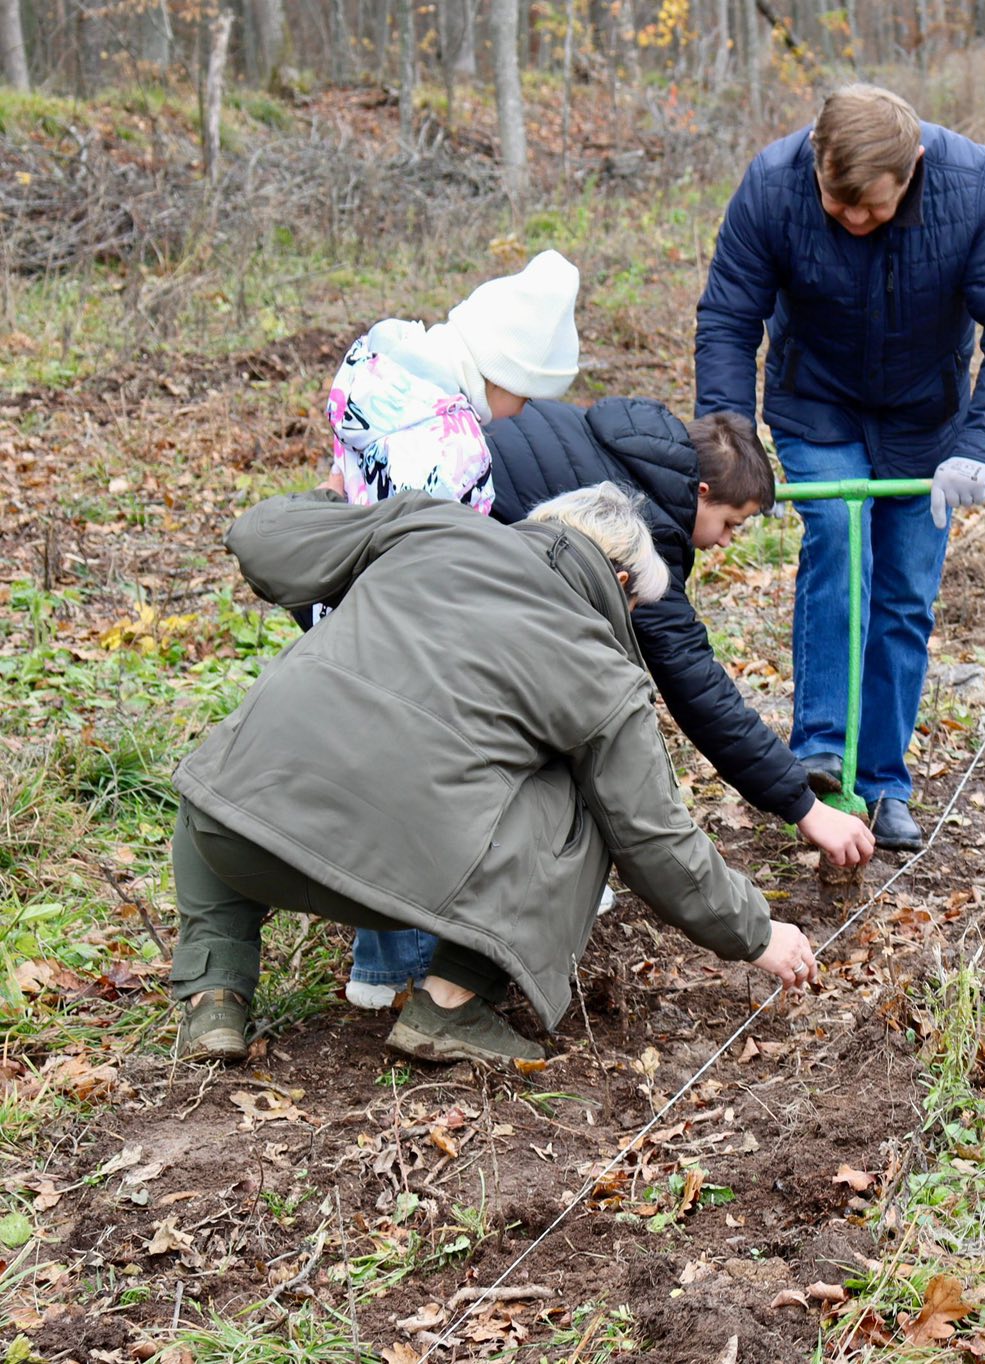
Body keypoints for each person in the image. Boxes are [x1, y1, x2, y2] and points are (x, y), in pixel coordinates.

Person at [171, 484, 821, 1067]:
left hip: (237, 839)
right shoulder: (603, 670)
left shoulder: (432, 525)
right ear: (620, 584)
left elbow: (262, 538)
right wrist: (758, 933)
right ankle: (452, 1004)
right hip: (401, 885)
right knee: (589, 800)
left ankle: (214, 995)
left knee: (236, 765)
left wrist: (327, 494)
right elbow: (653, 837)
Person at [695, 83, 985, 851]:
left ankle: (884, 781)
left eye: (873, 209)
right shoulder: (772, 184)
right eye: (837, 202)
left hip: (927, 421)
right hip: (816, 401)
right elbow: (729, 316)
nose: (853, 220)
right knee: (835, 532)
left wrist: (980, 449)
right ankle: (820, 749)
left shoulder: (970, 185)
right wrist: (729, 440)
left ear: (914, 167)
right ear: (815, 164)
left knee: (905, 596)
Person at [314, 248, 586, 1010]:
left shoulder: (376, 359)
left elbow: (346, 480)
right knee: (419, 790)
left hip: (337, 606)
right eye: (526, 394)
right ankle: (404, 970)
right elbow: (441, 567)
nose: (525, 414)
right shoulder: (456, 445)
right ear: (501, 370)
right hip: (405, 631)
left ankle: (378, 966)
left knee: (370, 787)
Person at [483, 399, 875, 870]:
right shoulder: (638, 526)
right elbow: (694, 683)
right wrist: (804, 807)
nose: (728, 540)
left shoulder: (626, 445)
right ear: (702, 491)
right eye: (730, 522)